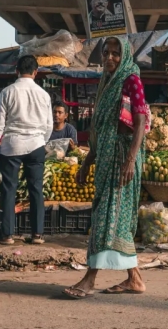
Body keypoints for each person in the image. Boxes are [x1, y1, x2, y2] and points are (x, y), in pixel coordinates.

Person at [63, 37, 149, 299]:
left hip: (122, 160)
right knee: (112, 219)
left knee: (107, 220)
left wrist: (130, 159)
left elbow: (141, 120)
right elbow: (99, 128)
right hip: (106, 160)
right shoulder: (106, 82)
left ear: (125, 56)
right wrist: (87, 163)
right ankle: (134, 279)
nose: (110, 57)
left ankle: (89, 279)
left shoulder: (131, 80)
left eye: (115, 53)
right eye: (106, 52)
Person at [0, 55, 52, 245]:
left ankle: (6, 235)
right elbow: (49, 125)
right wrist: (41, 141)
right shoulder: (44, 94)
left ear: (16, 71)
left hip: (11, 145)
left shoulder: (8, 92)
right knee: (36, 189)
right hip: (36, 145)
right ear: (36, 72)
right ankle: (37, 234)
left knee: (9, 189)